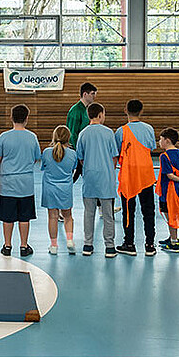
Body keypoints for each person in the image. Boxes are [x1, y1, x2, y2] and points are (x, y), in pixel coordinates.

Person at [0, 104, 42, 257]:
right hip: (26, 184)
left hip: (7, 184)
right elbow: (36, 158)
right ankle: (23, 245)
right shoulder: (32, 137)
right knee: (24, 217)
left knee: (8, 217)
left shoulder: (3, 137)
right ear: (27, 118)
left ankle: (7, 246)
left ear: (11, 118)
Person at [74, 103, 120, 258]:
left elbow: (80, 157)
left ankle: (88, 245)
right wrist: (108, 169)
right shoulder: (108, 133)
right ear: (100, 115)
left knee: (89, 213)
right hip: (106, 179)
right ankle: (110, 247)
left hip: (90, 178)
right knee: (108, 214)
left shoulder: (83, 133)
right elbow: (115, 156)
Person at [115, 99, 158, 257]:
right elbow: (152, 146)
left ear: (125, 110)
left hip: (129, 176)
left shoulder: (121, 131)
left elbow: (117, 151)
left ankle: (129, 243)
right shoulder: (149, 129)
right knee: (148, 211)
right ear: (141, 111)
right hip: (146, 175)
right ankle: (150, 244)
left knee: (128, 211)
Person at [40, 126, 77, 255]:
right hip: (65, 189)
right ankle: (70, 240)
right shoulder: (73, 154)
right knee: (68, 216)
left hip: (50, 189)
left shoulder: (46, 152)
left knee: (53, 217)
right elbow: (73, 169)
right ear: (68, 138)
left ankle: (54, 245)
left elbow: (43, 167)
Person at [156, 129, 179, 253]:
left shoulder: (164, 156)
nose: (159, 142)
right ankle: (172, 237)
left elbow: (169, 175)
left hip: (169, 191)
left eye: (161, 139)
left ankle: (174, 242)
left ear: (167, 140)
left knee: (171, 215)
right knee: (173, 213)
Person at [66, 82, 98, 149]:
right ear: (85, 94)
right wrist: (76, 151)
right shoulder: (75, 111)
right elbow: (72, 134)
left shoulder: (86, 109)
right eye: (92, 94)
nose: (94, 96)